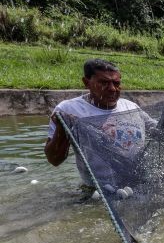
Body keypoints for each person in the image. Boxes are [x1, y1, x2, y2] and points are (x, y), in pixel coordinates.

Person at [45, 58, 155, 187]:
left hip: (140, 184)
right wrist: (61, 128)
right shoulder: (69, 110)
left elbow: (160, 131)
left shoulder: (131, 107)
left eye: (116, 83)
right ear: (86, 82)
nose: (112, 89)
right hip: (99, 191)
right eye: (104, 83)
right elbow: (54, 160)